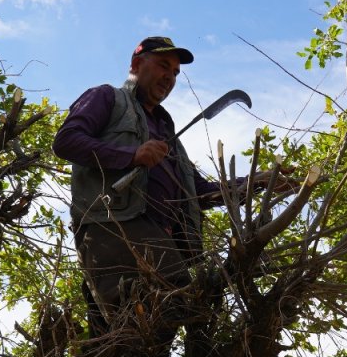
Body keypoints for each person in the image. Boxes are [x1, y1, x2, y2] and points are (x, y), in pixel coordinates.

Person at [53, 36, 226, 339]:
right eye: (163, 66)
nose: (169, 77)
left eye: (174, 73)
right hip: (113, 229)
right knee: (188, 304)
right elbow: (66, 141)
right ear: (136, 65)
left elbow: (199, 192)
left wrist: (257, 183)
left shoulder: (168, 134)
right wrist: (131, 156)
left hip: (158, 243)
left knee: (135, 344)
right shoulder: (107, 97)